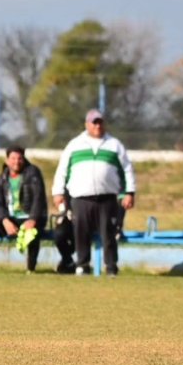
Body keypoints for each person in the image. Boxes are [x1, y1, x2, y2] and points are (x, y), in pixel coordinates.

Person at [51, 109, 135, 276]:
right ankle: (82, 265)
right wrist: (58, 192)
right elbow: (62, 170)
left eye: (100, 122)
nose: (97, 126)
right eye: (94, 122)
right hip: (81, 198)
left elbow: (127, 170)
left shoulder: (114, 144)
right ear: (87, 124)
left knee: (109, 234)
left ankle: (111, 267)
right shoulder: (75, 144)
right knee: (81, 233)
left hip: (107, 198)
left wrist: (129, 192)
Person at [0, 146, 47, 273]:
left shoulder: (32, 173)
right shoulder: (2, 179)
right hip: (10, 218)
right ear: (7, 160)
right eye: (13, 158)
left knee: (31, 233)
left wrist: (32, 219)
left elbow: (38, 199)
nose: (16, 162)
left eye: (19, 158)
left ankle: (30, 270)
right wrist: (5, 221)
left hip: (30, 217)